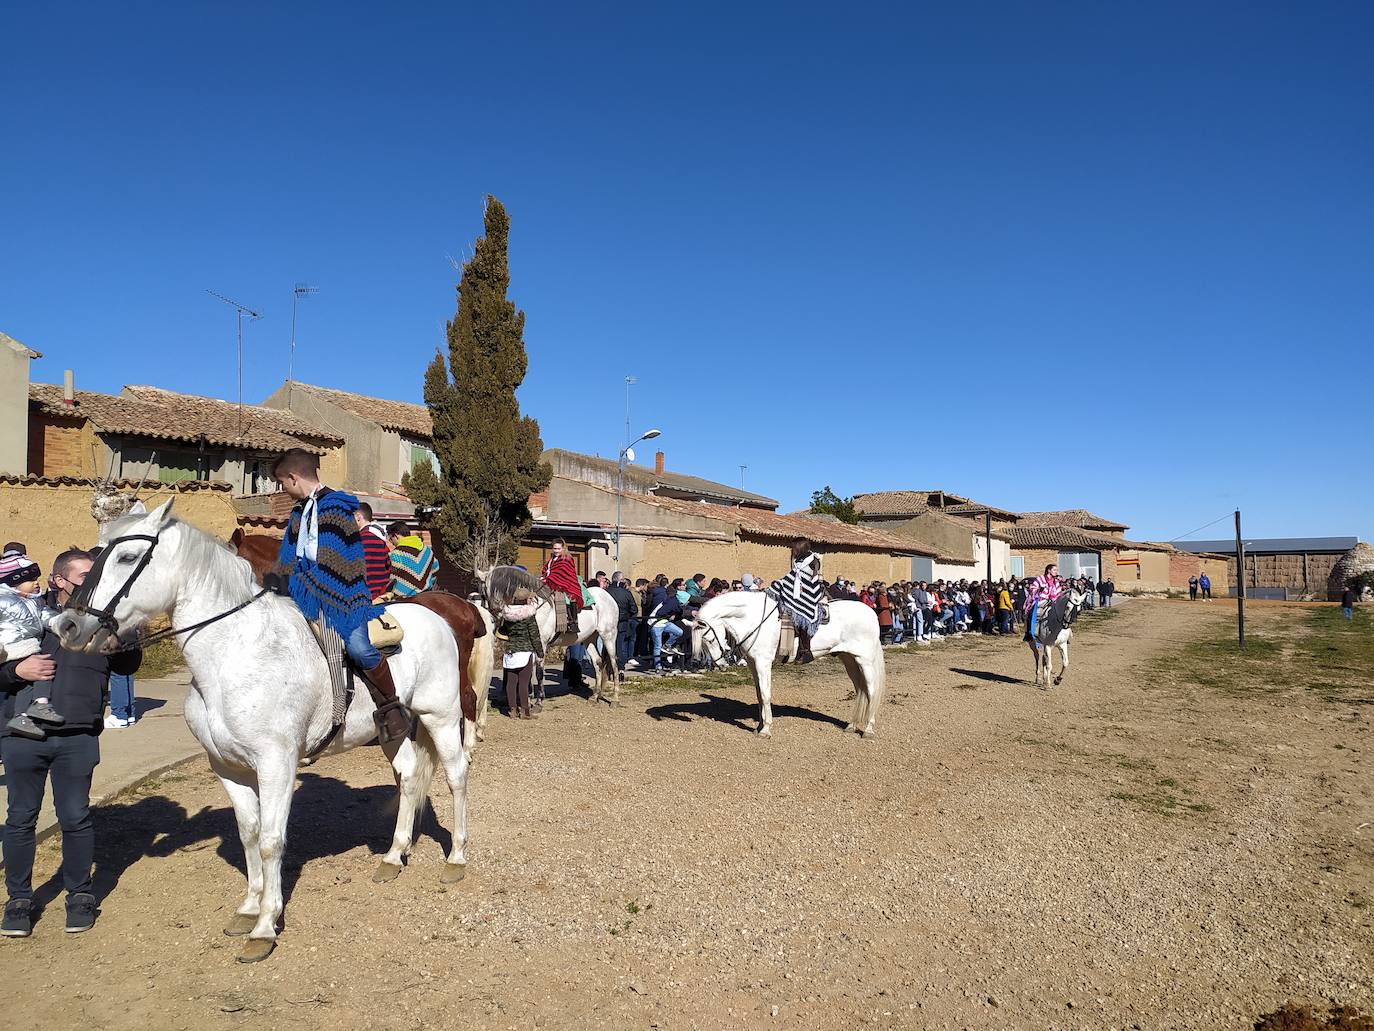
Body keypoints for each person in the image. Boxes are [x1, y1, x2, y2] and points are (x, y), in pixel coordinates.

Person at [3, 547, 142, 937]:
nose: (91, 582)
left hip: (78, 733)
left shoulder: (102, 621)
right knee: (20, 819)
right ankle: (18, 899)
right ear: (59, 580)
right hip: (21, 734)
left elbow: (128, 666)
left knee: (75, 817)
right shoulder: (20, 612)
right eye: (84, 576)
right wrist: (16, 669)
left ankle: (79, 894)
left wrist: (125, 638)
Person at [269, 448, 410, 743]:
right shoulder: (297, 513)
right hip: (304, 596)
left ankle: (391, 704)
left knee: (358, 647)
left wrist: (307, 584)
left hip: (343, 599)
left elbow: (344, 565)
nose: (282, 490)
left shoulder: (337, 508)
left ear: (293, 478)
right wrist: (275, 584)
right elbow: (287, 558)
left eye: (282, 482)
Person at [1, 550, 64, 740]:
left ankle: (21, 716)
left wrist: (62, 623)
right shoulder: (3, 600)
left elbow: (46, 616)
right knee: (43, 669)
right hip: (12, 646)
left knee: (27, 683)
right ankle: (41, 704)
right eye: (30, 580)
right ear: (13, 582)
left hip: (27, 644)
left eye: (36, 578)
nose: (37, 583)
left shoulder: (34, 602)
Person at [767, 539, 827, 664]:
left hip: (808, 596)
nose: (792, 550)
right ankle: (785, 650)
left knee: (804, 618)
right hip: (797, 595)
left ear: (800, 548)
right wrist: (780, 584)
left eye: (794, 548)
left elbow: (810, 579)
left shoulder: (813, 560)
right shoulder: (798, 561)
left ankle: (806, 651)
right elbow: (792, 577)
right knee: (786, 614)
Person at [496, 600, 542, 719]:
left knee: (511, 682)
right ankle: (525, 711)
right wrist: (540, 652)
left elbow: (502, 632)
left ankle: (512, 710)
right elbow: (534, 635)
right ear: (526, 600)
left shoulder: (507, 616)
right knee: (523, 682)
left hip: (510, 651)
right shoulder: (529, 617)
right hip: (525, 651)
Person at [540, 539, 584, 633]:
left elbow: (563, 572)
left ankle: (572, 622)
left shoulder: (567, 558)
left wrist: (549, 578)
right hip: (551, 582)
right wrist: (544, 577)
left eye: (558, 549)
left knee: (567, 597)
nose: (556, 551)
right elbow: (547, 570)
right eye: (554, 548)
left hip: (566, 583)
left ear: (563, 548)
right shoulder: (552, 560)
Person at [387, 521, 438, 598]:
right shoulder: (427, 551)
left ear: (396, 535)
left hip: (404, 601)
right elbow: (436, 567)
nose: (391, 543)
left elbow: (388, 578)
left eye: (390, 539)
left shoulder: (395, 555)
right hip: (426, 598)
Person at [644, 575, 683, 672]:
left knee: (679, 632)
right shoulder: (671, 601)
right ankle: (658, 666)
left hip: (664, 622)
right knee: (657, 645)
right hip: (656, 623)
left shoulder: (667, 597)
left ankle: (667, 645)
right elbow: (663, 612)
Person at [355, 502, 392, 602]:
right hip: (381, 596)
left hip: (362, 597)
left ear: (358, 517)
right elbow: (388, 566)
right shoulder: (380, 539)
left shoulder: (358, 540)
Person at [1024, 563, 1063, 642]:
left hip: (1053, 602)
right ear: (1049, 570)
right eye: (1054, 570)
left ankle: (1062, 633)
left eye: (1056, 570)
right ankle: (1030, 632)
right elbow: (1032, 588)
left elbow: (1059, 593)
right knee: (1033, 613)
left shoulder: (1056, 581)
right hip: (1041, 600)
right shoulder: (1040, 578)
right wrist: (1039, 590)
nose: (1056, 572)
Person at [607, 573, 638, 670]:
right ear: (620, 580)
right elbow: (634, 609)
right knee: (620, 646)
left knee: (607, 646)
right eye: (623, 579)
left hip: (608, 623)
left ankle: (608, 668)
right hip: (622, 622)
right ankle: (620, 668)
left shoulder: (606, 592)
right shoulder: (626, 593)